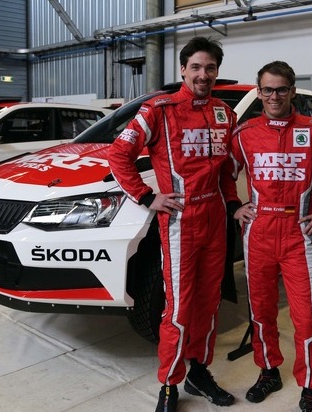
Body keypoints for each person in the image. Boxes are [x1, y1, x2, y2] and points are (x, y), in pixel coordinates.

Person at [108, 36, 240, 412]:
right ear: (183, 69)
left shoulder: (224, 113)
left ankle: (199, 371)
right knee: (179, 308)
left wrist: (233, 204)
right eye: (196, 67)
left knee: (209, 303)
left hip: (216, 220)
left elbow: (226, 171)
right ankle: (169, 384)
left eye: (210, 68)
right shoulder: (159, 109)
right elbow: (119, 154)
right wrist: (146, 196)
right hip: (181, 222)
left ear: (217, 71)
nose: (203, 74)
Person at [229, 61, 312, 412]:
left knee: (305, 317)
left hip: (298, 234)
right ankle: (268, 371)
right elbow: (225, 173)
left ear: (292, 91)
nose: (274, 96)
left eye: (281, 89)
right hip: (258, 233)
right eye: (268, 90)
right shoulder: (244, 133)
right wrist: (234, 206)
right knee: (261, 311)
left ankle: (310, 385)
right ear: (259, 92)